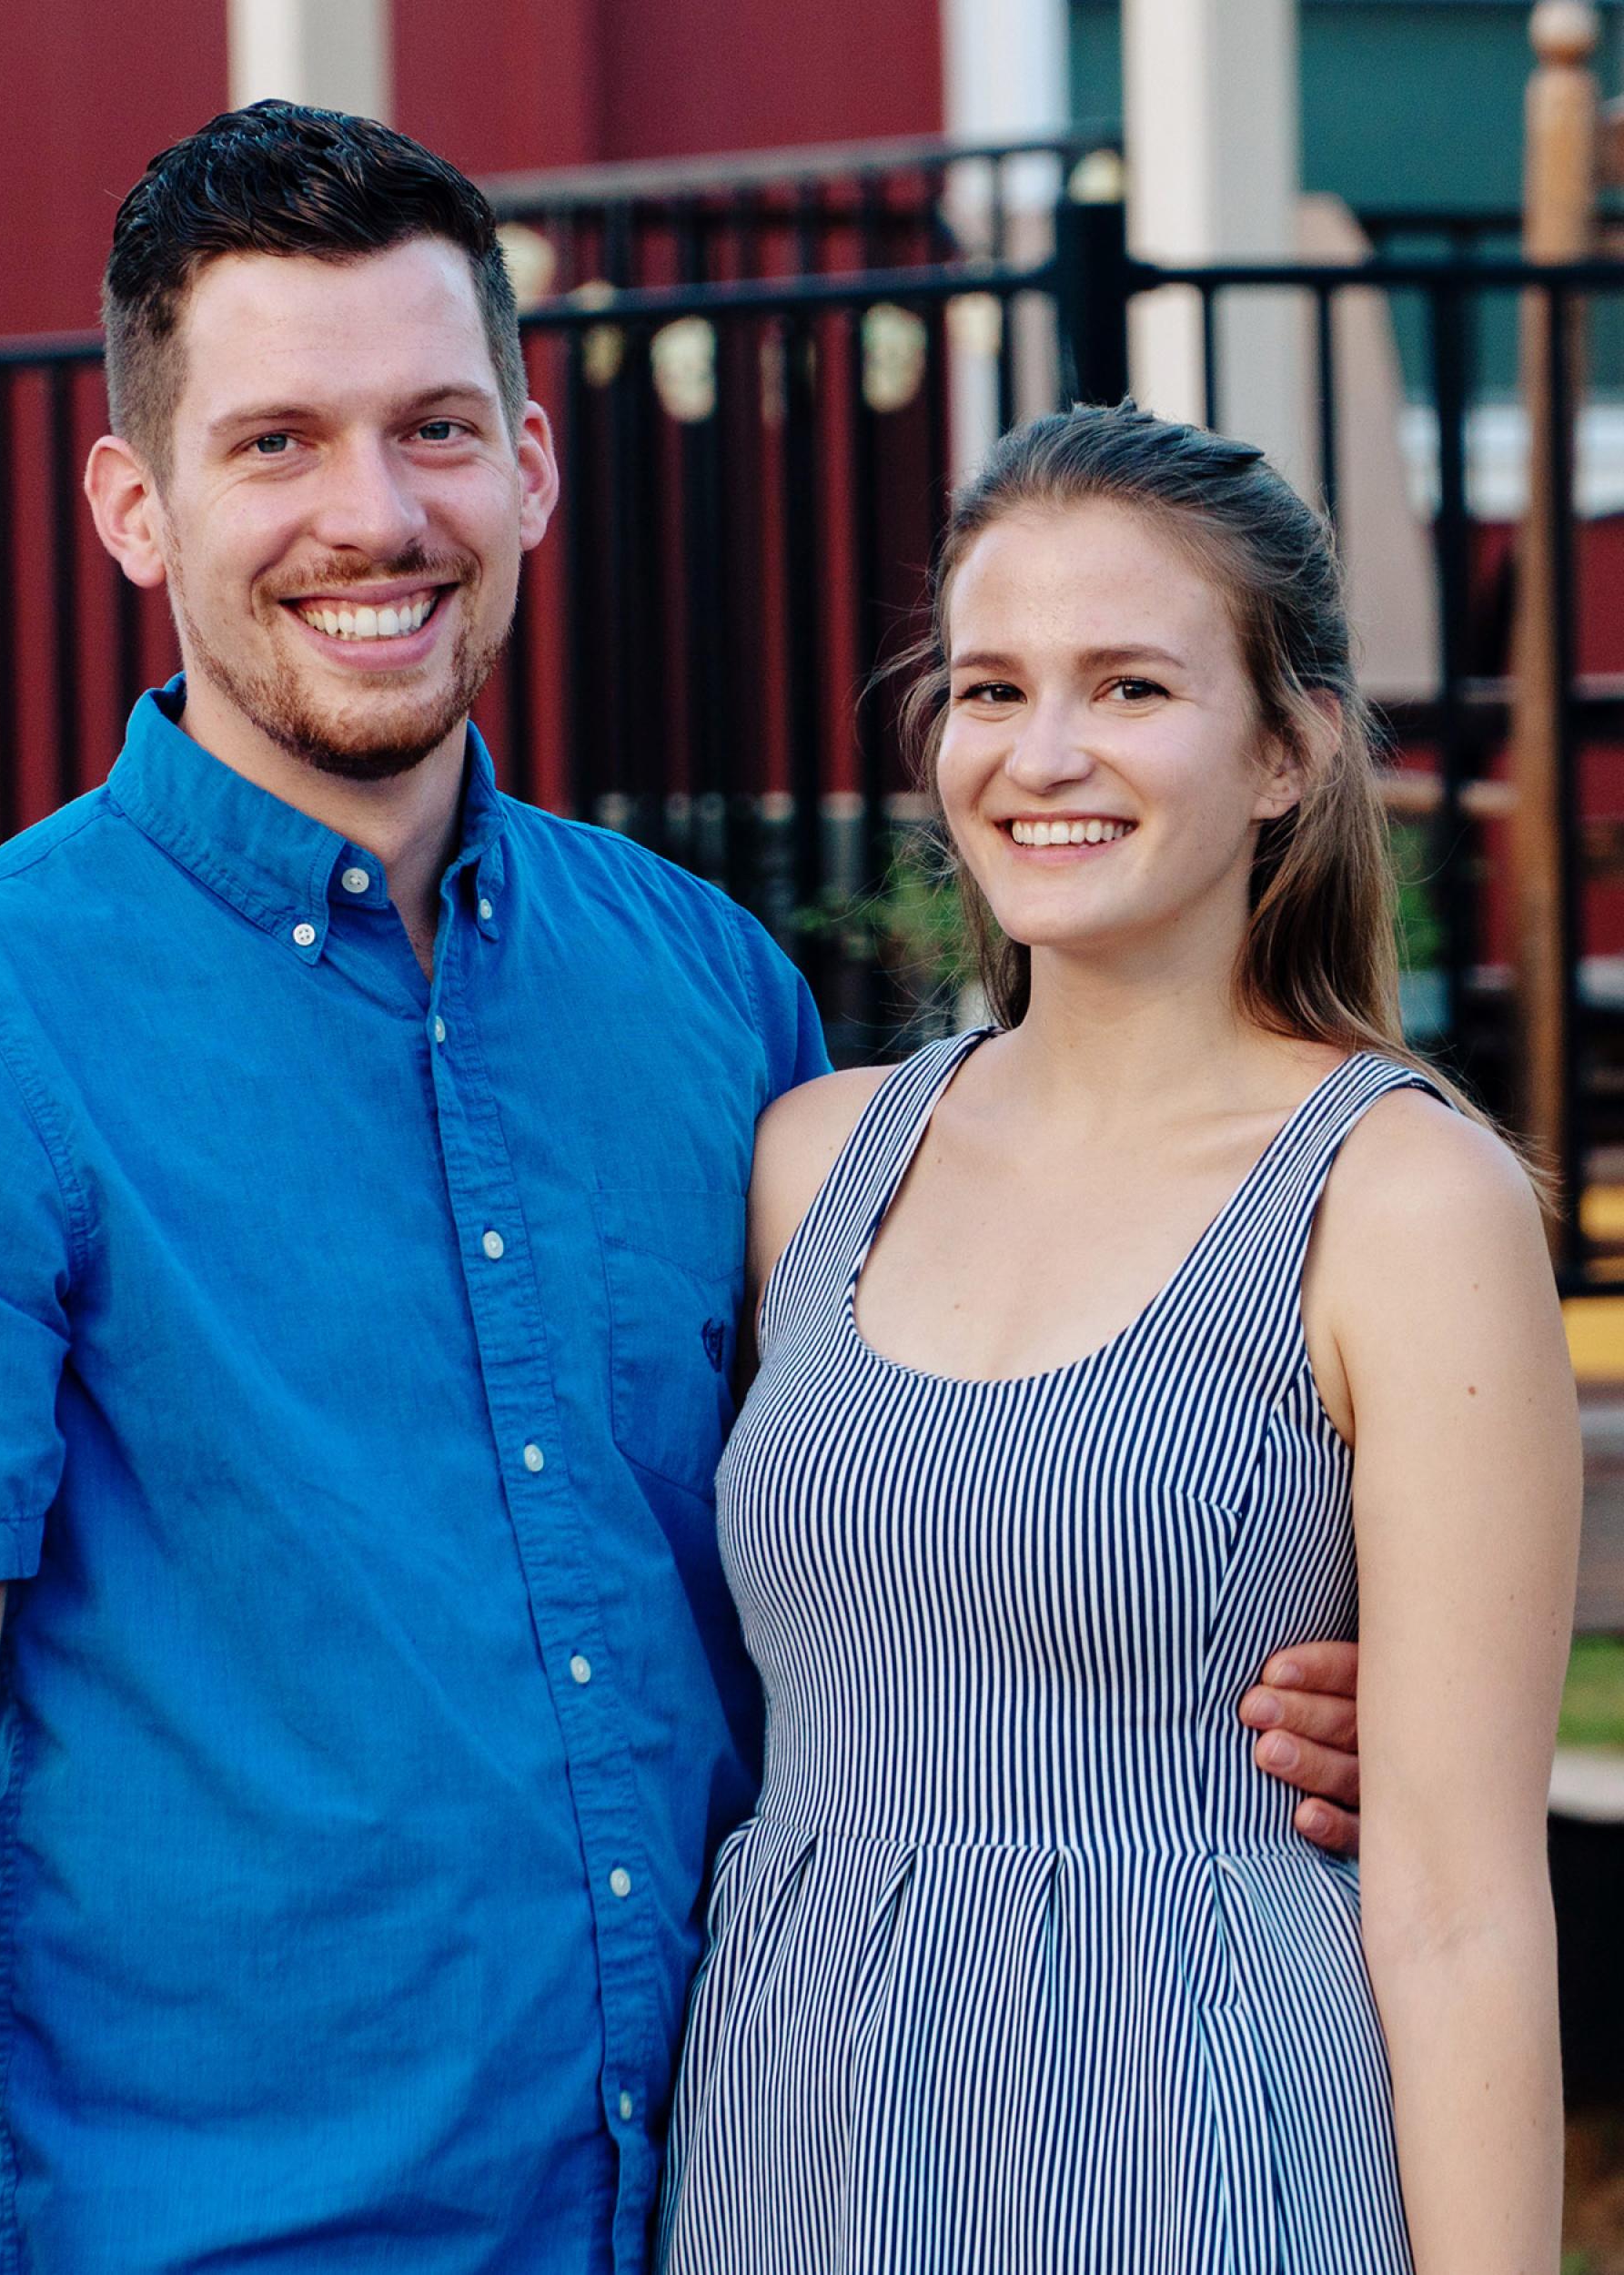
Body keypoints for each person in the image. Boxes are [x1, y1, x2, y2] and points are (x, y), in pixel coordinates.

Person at [0, 111, 1362, 2275]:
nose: (375, 515)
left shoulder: (711, 993)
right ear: (133, 508)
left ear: (531, 465)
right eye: (276, 442)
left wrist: (1274, 1690)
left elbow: (883, 1527)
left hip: (742, 2204)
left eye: (436, 426)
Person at [655, 405, 1581, 2275]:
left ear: (1288, 747)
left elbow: (1464, 1903)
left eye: (1132, 685)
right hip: (799, 2122)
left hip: (1211, 2132)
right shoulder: (807, 1157)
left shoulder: (1401, 1202)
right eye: (989, 687)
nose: (1043, 753)